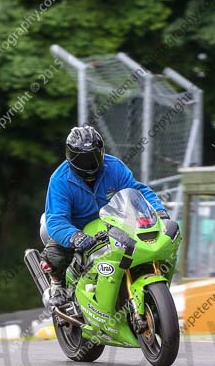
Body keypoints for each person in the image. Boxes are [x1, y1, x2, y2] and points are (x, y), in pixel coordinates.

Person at [40, 126, 175, 307]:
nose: (89, 162)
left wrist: (159, 212)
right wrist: (74, 236)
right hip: (77, 229)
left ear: (101, 151)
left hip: (114, 224)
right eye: (82, 158)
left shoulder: (114, 167)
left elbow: (138, 191)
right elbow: (56, 219)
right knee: (55, 255)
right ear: (70, 156)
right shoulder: (59, 180)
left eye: (93, 155)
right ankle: (57, 284)